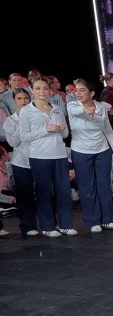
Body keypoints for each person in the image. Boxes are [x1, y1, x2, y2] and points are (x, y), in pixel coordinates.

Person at [17, 78, 76, 237]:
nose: (42, 91)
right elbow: (24, 136)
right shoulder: (27, 111)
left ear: (50, 90)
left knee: (63, 191)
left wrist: (61, 129)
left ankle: (65, 225)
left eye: (45, 88)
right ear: (32, 90)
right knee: (43, 192)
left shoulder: (56, 108)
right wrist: (46, 129)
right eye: (38, 88)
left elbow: (65, 134)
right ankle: (47, 226)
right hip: (39, 156)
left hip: (59, 154)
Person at [68, 79, 113, 233]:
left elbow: (108, 129)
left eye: (82, 90)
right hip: (81, 151)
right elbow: (76, 112)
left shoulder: (101, 107)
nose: (78, 93)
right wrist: (85, 109)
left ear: (92, 93)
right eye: (76, 90)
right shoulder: (72, 106)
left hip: (102, 150)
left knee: (104, 184)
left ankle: (108, 220)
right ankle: (93, 221)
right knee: (87, 187)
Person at [2, 88, 39, 236]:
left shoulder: (37, 117)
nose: (23, 101)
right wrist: (23, 122)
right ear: (14, 101)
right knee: (25, 195)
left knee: (44, 194)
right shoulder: (10, 120)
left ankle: (49, 224)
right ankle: (28, 226)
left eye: (26, 98)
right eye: (19, 98)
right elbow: (13, 142)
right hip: (21, 162)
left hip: (39, 159)